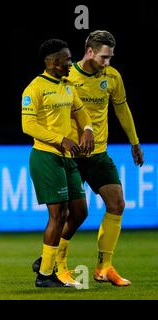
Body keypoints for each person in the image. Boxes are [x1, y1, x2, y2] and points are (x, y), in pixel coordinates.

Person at [56, 30, 144, 286]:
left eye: (111, 57)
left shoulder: (112, 76)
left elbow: (122, 109)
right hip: (71, 154)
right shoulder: (68, 76)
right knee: (70, 214)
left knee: (117, 203)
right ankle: (55, 262)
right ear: (90, 52)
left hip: (98, 154)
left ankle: (104, 266)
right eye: (104, 57)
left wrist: (135, 142)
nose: (108, 63)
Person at [22, 39, 94, 287]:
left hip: (68, 158)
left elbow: (81, 110)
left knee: (80, 212)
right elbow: (28, 125)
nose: (71, 63)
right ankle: (44, 275)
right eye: (67, 59)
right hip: (46, 157)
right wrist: (60, 139)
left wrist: (87, 129)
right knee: (59, 214)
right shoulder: (35, 88)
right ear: (53, 62)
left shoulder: (67, 86)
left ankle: (47, 257)